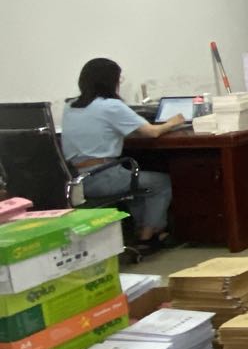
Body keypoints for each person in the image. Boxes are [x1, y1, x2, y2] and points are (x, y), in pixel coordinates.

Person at [60, 58, 186, 253]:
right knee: (162, 183)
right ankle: (149, 235)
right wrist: (173, 122)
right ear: (111, 81)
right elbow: (152, 132)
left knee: (138, 183)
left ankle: (143, 230)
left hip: (76, 180)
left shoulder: (70, 106)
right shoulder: (111, 106)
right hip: (103, 176)